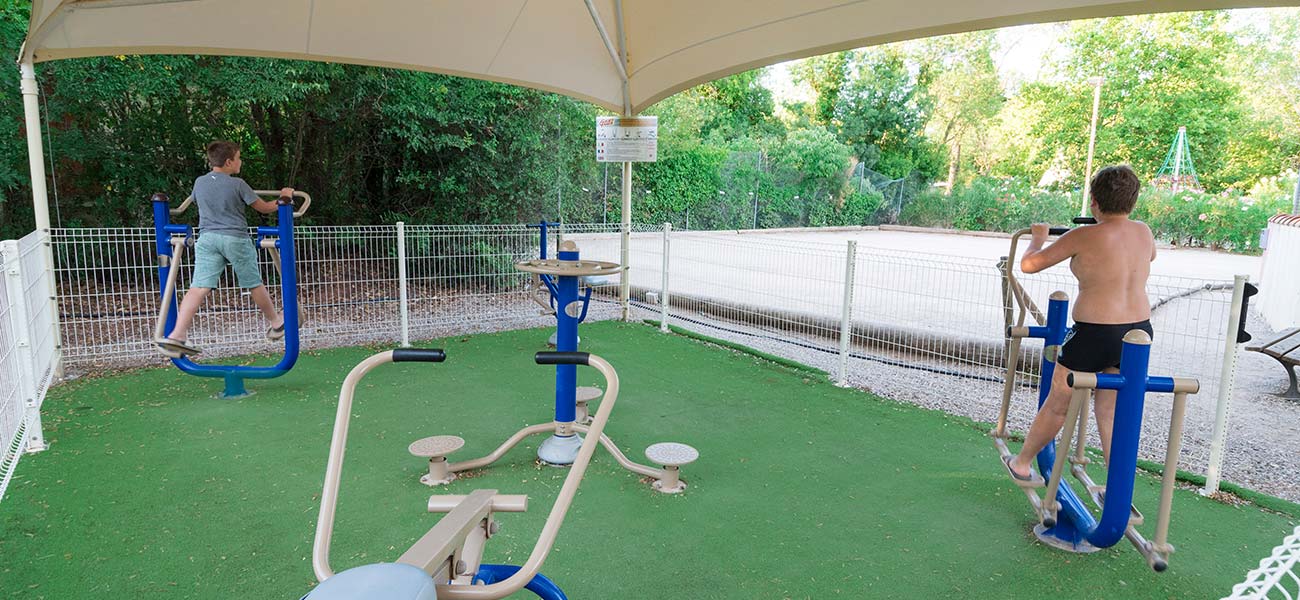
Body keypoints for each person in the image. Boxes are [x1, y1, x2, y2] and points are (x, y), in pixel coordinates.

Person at [1004, 165, 1155, 486]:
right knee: (1111, 411)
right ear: (1133, 202)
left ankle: (1022, 462)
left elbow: (1030, 265)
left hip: (1095, 333)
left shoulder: (1082, 235)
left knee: (1059, 401)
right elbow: (1149, 256)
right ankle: (1119, 488)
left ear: (1094, 202)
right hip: (1138, 332)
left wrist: (1038, 240)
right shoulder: (1144, 232)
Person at [156, 141, 292, 357]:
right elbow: (265, 208)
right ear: (229, 162)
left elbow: (189, 203)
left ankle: (177, 334)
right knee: (253, 283)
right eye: (238, 158)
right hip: (235, 238)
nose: (240, 162)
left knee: (198, 287)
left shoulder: (199, 183)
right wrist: (285, 197)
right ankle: (276, 323)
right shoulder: (238, 184)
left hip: (207, 239)